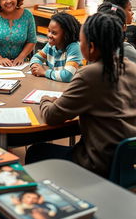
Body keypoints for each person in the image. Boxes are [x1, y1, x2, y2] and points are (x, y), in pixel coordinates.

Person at [25, 13, 136, 178]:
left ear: (90, 47)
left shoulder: (89, 74)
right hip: (127, 161)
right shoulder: (132, 68)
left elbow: (51, 116)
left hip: (97, 163)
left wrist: (46, 99)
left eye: (81, 41)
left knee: (36, 151)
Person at [30, 12, 82, 82]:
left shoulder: (74, 48)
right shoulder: (50, 45)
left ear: (66, 35)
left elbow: (67, 76)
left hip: (69, 88)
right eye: (49, 31)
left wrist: (44, 72)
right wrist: (35, 66)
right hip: (55, 85)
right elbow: (36, 57)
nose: (49, 35)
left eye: (54, 33)